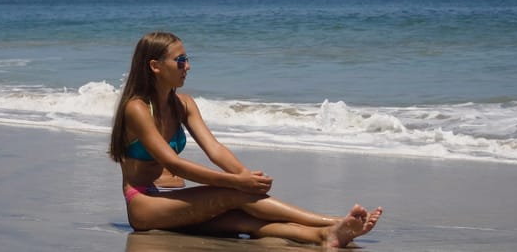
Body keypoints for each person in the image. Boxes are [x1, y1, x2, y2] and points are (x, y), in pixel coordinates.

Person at [109, 31, 382, 248]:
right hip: (145, 204)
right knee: (235, 194)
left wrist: (246, 177)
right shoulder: (137, 108)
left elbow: (215, 149)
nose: (188, 66)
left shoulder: (183, 104)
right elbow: (173, 164)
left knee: (244, 221)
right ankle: (333, 219)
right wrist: (237, 183)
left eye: (187, 59)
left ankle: (326, 236)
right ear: (155, 66)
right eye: (180, 61)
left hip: (176, 199)